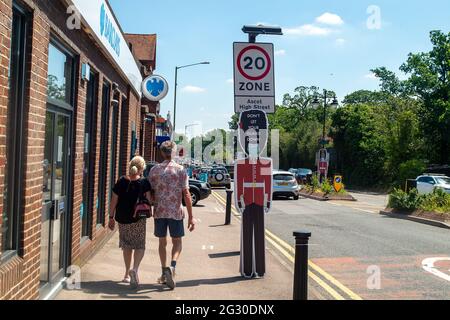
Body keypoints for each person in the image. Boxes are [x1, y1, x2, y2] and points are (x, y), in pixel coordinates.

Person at [149, 141, 195, 290]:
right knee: (177, 242)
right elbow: (186, 194)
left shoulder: (154, 170)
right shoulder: (181, 170)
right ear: (173, 152)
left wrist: (153, 203)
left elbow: (149, 193)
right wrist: (191, 216)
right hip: (175, 211)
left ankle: (163, 272)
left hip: (160, 211)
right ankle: (173, 267)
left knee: (162, 242)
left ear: (162, 153)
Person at [109, 156, 151, 289]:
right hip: (138, 218)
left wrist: (111, 217)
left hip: (122, 218)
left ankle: (126, 274)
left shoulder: (121, 181)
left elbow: (114, 200)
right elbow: (150, 201)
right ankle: (135, 269)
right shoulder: (144, 182)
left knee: (126, 246)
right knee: (139, 245)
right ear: (142, 168)